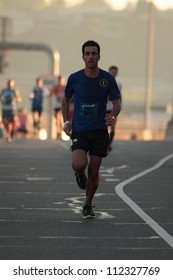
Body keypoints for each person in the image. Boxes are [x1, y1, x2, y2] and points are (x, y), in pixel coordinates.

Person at [62, 40, 121, 219]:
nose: (90, 57)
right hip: (79, 129)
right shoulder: (74, 78)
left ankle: (87, 204)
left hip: (99, 131)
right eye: (87, 54)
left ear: (98, 56)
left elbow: (117, 103)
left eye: (93, 53)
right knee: (79, 164)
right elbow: (65, 100)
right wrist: (66, 122)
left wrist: (112, 116)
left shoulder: (107, 79)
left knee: (94, 172)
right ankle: (79, 173)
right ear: (83, 57)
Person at [106, 65, 122, 152]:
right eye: (112, 72)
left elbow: (120, 96)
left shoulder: (118, 83)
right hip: (105, 108)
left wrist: (120, 106)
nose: (113, 74)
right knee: (105, 127)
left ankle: (109, 144)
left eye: (115, 72)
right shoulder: (104, 82)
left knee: (113, 127)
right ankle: (106, 143)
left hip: (114, 108)